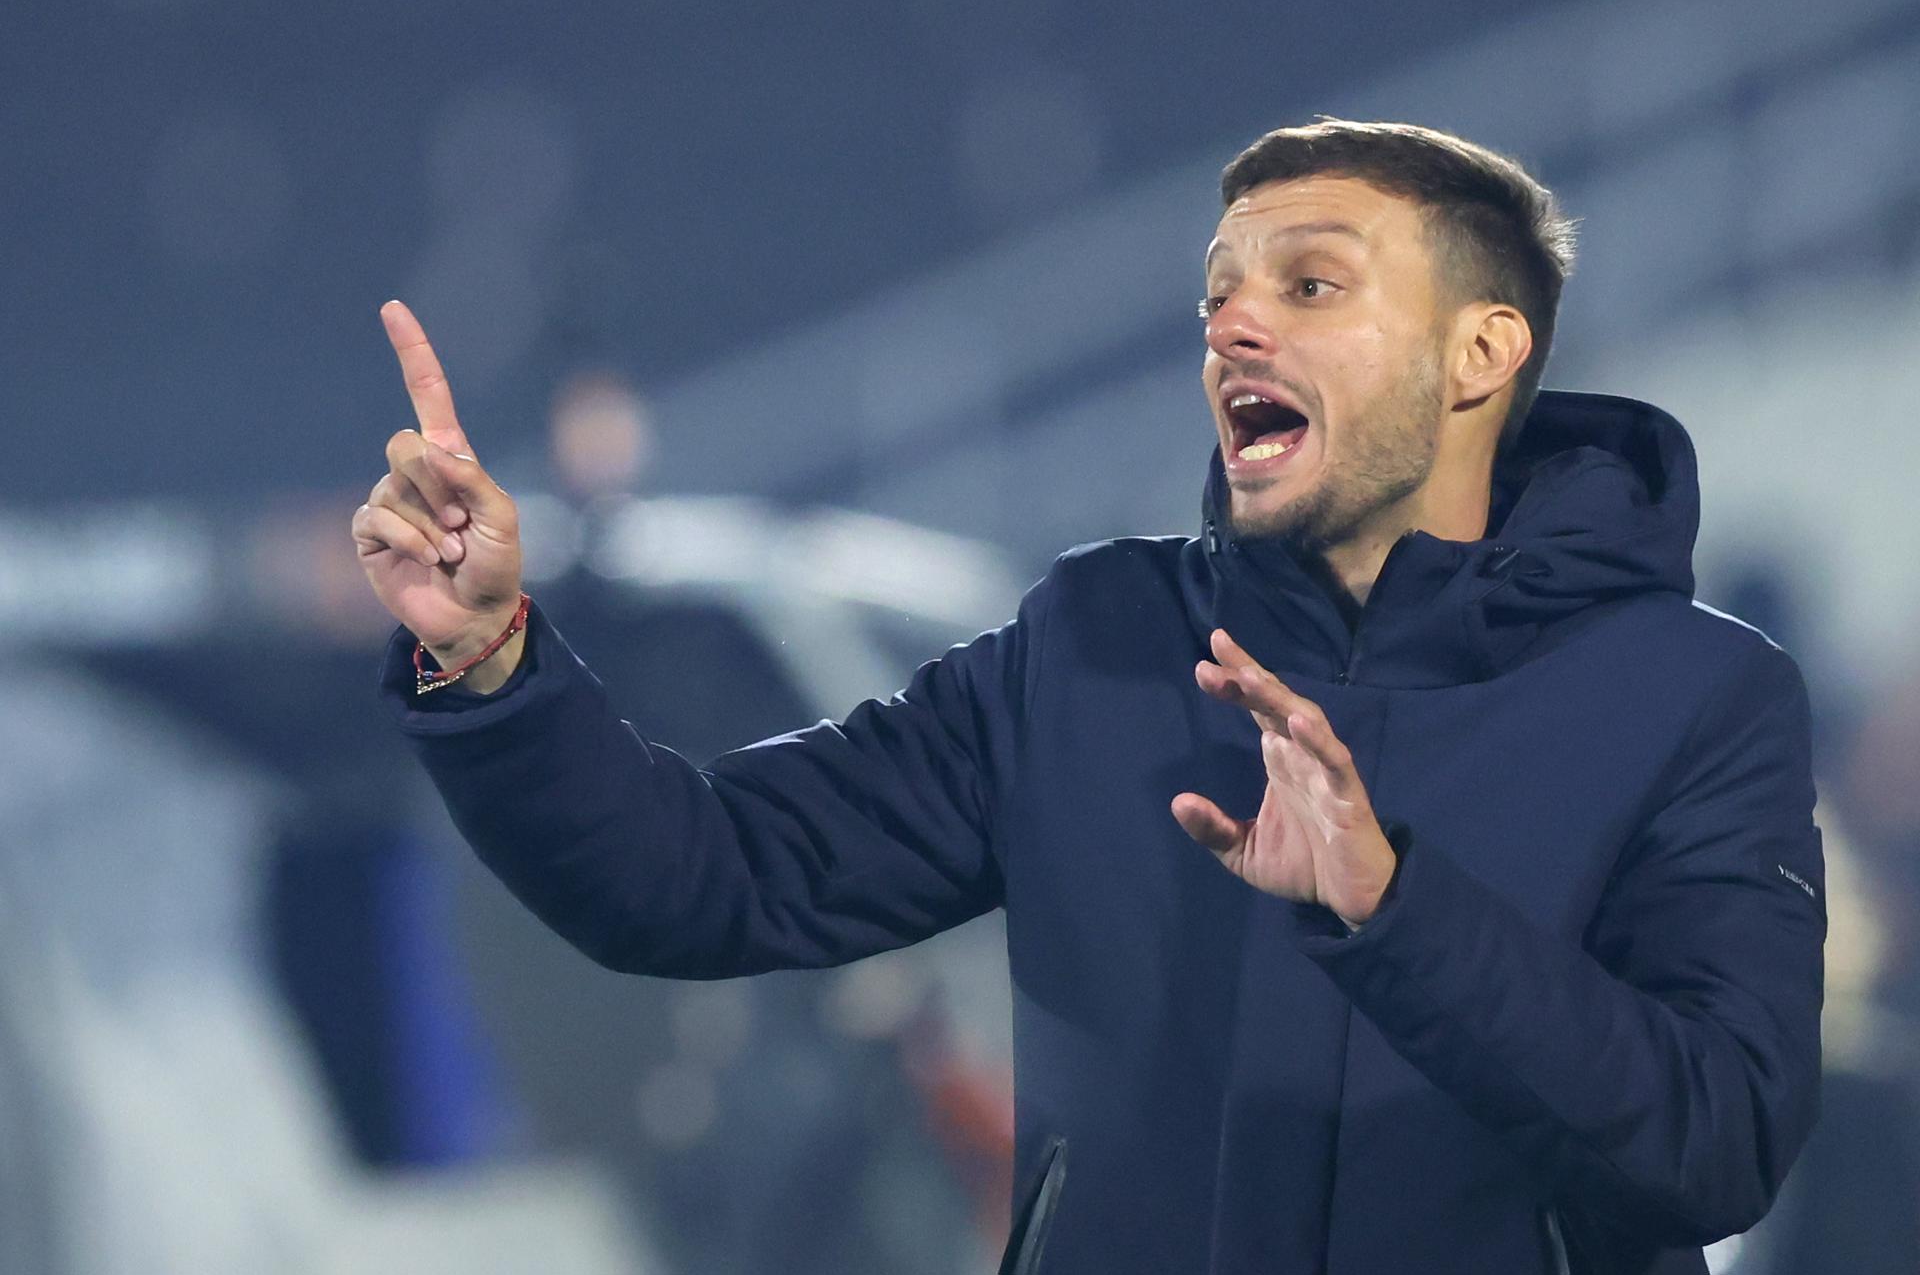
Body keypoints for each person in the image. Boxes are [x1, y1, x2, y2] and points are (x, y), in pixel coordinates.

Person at [352, 120, 1824, 1274]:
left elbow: (1716, 1141)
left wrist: (1398, 910)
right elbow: (706, 872)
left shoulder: (1693, 695)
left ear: (1480, 355)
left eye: (1309, 285)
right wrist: (495, 668)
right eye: (1221, 295)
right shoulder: (1094, 643)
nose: (1236, 328)